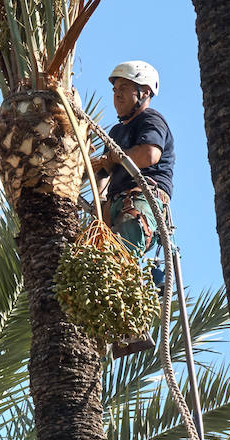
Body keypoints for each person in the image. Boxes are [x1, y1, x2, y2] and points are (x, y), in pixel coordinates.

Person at [91, 60, 175, 356]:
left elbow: (149, 154)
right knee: (99, 257)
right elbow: (102, 175)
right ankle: (110, 324)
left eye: (124, 89)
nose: (117, 95)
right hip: (116, 200)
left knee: (123, 250)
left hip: (143, 198)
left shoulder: (151, 120)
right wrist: (98, 204)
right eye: (115, 90)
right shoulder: (115, 132)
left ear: (144, 92)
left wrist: (112, 160)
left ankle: (132, 324)